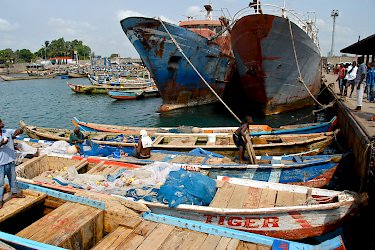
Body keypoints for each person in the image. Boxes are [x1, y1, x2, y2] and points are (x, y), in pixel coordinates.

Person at [0, 119, 25, 209]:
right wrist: (1, 143)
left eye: (2, 121)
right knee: (1, 183)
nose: (2, 123)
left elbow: (18, 131)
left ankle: (14, 193)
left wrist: (18, 132)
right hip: (1, 163)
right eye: (0, 122)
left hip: (10, 160)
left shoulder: (7, 131)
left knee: (13, 179)